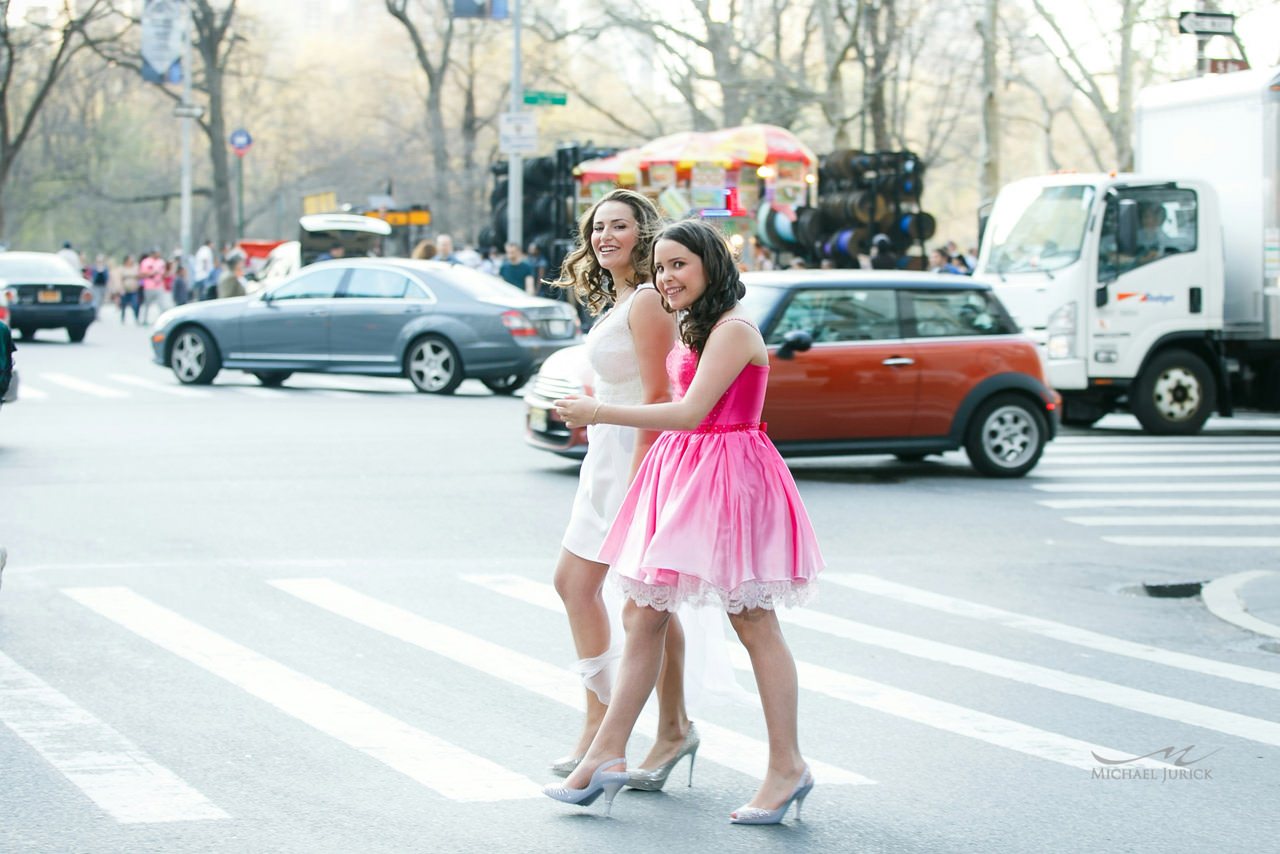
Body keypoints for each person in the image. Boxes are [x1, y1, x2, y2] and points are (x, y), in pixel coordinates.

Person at [547, 218, 823, 824]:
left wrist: (598, 409)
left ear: (710, 268)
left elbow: (693, 410)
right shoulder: (694, 329)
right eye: (662, 267)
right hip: (688, 472)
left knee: (753, 620)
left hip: (728, 476)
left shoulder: (732, 330)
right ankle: (607, 754)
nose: (667, 278)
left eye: (679, 266)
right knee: (643, 612)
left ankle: (787, 767)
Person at [543, 188, 701, 794]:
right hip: (604, 461)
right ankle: (631, 722)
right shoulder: (622, 300)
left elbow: (659, 398)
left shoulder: (649, 305)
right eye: (597, 227)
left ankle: (650, 727)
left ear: (644, 234)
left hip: (638, 463)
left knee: (640, 603)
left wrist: (639, 480)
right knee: (593, 589)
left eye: (619, 226)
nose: (604, 236)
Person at [138, 249, 170, 324]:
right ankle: (144, 320)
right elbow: (141, 274)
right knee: (147, 304)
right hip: (149, 286)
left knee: (161, 304)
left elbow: (164, 273)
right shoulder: (146, 262)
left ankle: (163, 321)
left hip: (159, 286)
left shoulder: (161, 262)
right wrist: (152, 273)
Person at [117, 255, 141, 324]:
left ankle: (136, 318)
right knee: (123, 305)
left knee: (135, 304)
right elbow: (119, 279)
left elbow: (139, 277)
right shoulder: (122, 268)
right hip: (125, 290)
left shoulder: (136, 267)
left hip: (134, 289)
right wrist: (120, 289)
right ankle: (123, 318)